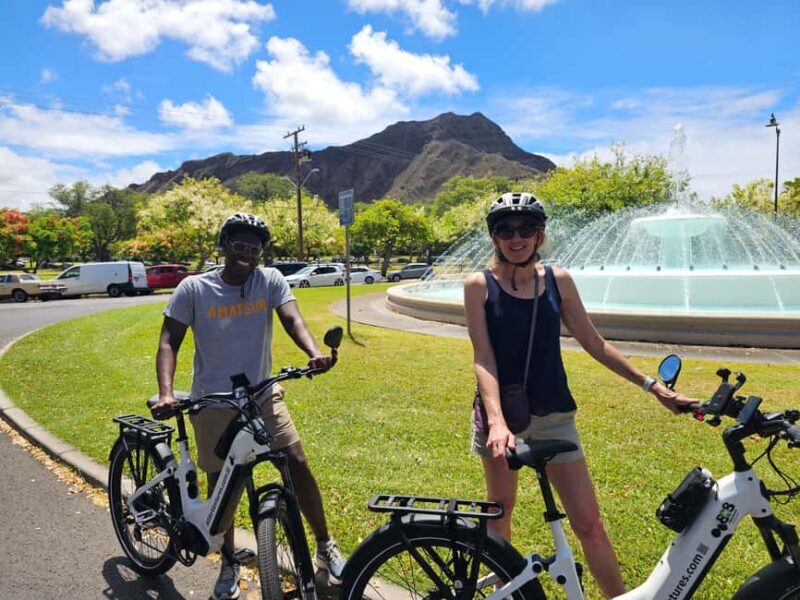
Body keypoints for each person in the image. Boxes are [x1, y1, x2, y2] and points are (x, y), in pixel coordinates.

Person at [465, 193, 695, 598]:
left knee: (590, 525)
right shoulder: (479, 286)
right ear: (494, 236)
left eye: (526, 229)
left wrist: (651, 386)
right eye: (506, 229)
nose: (516, 238)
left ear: (540, 234)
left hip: (555, 416)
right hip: (502, 418)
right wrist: (497, 421)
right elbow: (484, 358)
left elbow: (593, 342)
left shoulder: (559, 280)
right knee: (500, 514)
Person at [152, 212, 346, 600]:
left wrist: (313, 353)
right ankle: (228, 565)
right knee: (221, 485)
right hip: (213, 399)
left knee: (297, 462)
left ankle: (325, 546)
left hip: (260, 396)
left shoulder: (269, 280)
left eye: (255, 249)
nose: (247, 255)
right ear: (223, 246)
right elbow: (168, 341)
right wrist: (167, 391)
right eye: (239, 246)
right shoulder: (193, 289)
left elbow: (292, 318)